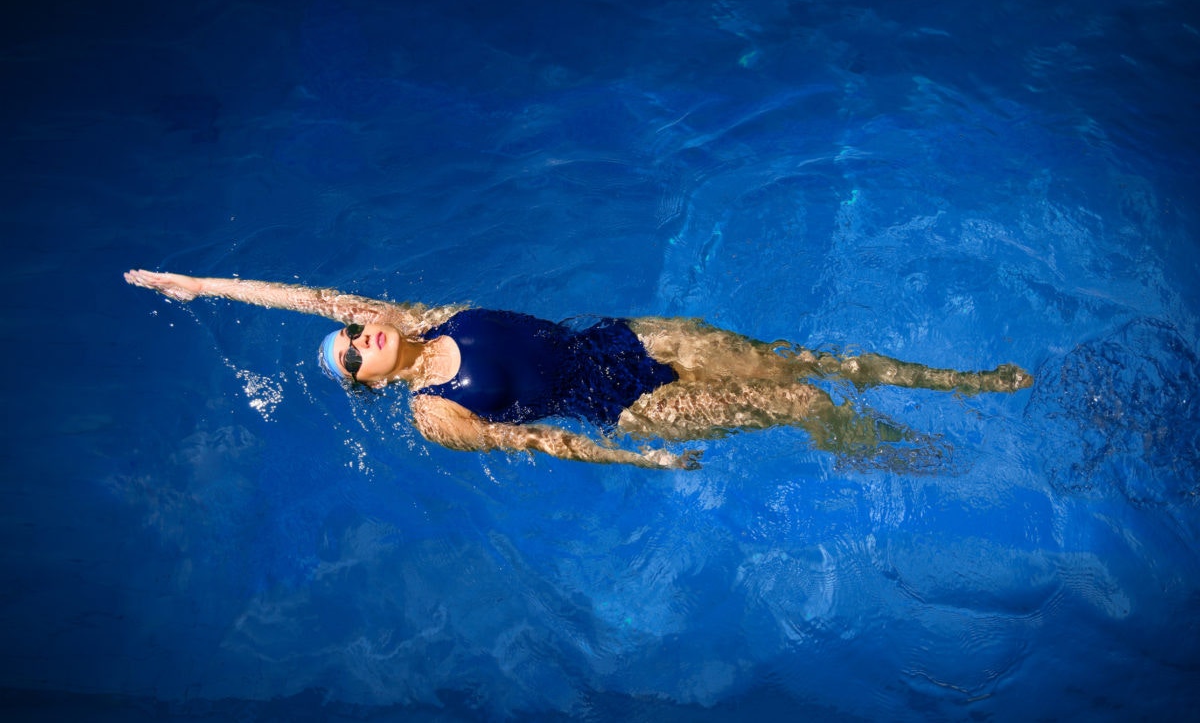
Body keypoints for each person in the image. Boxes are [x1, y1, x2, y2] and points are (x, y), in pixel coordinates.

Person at [124, 269, 1033, 470]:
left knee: (818, 359)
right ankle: (893, 451)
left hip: (629, 339)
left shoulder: (417, 318)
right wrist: (638, 461)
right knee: (797, 398)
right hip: (622, 408)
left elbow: (313, 299)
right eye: (352, 353)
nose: (360, 333)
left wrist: (196, 284)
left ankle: (964, 384)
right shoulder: (433, 414)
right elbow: (548, 443)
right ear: (366, 380)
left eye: (357, 330)